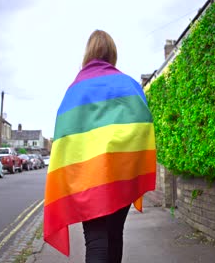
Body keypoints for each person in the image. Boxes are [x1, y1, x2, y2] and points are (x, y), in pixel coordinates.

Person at [44, 30, 157, 263]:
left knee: (96, 240)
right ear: (112, 54)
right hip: (123, 176)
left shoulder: (76, 89)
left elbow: (65, 137)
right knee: (115, 234)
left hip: (89, 178)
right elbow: (144, 126)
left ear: (88, 53)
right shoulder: (130, 85)